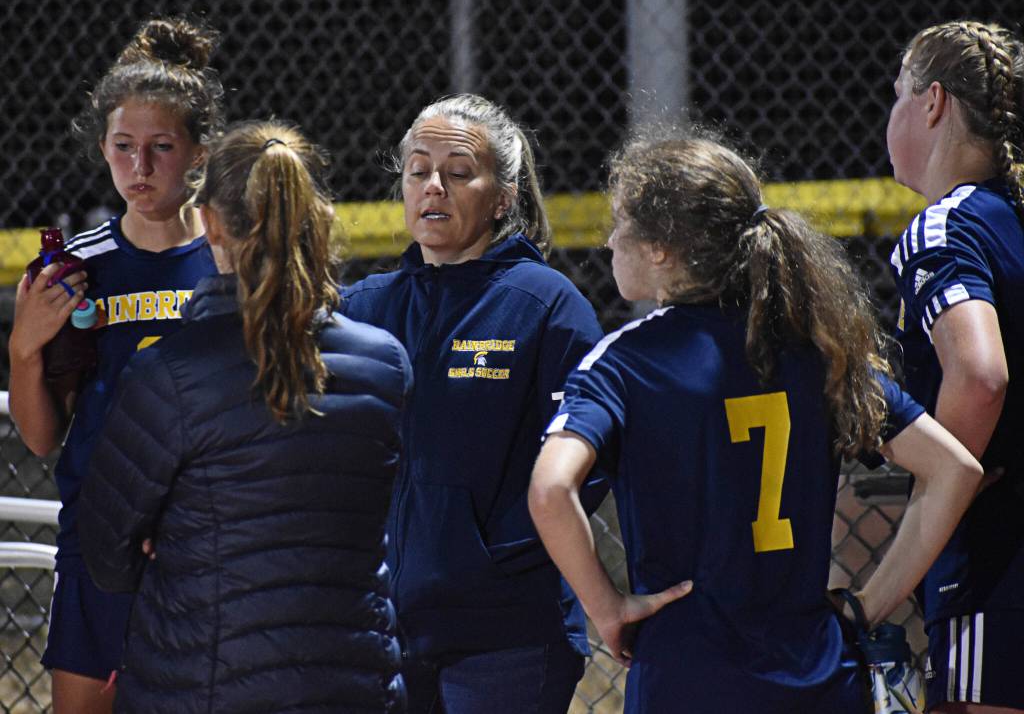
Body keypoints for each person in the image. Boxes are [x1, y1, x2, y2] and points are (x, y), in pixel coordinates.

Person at [528, 132, 984, 713]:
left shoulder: (626, 362)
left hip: (687, 680)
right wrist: (868, 605)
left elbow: (549, 489)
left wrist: (607, 608)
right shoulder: (817, 351)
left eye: (621, 224)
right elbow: (954, 469)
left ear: (662, 250)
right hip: (816, 677)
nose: (610, 239)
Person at [76, 121, 410, 713]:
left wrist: (176, 538)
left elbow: (106, 552)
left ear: (209, 222)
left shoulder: (168, 375)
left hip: (201, 687)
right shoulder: (385, 364)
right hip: (356, 687)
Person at [340, 93, 606, 713]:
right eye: (418, 171)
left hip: (504, 633)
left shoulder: (546, 305)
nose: (433, 186)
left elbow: (596, 458)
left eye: (458, 173)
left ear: (503, 196)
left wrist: (495, 555)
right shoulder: (364, 308)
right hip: (379, 628)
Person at [6, 17, 223, 714]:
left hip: (206, 539)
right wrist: (23, 345)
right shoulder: (78, 271)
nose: (141, 168)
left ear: (199, 152)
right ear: (102, 148)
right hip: (101, 538)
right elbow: (42, 438)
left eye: (162, 147)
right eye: (123, 147)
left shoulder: (230, 261)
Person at [885, 20, 1024, 713]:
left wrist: (945, 481)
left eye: (898, 95)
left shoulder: (947, 228)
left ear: (932, 102)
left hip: (997, 554)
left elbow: (980, 375)